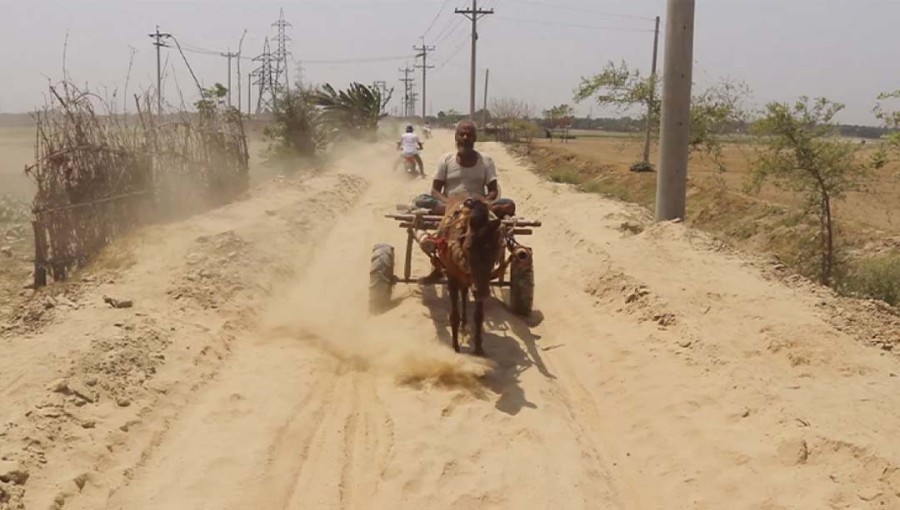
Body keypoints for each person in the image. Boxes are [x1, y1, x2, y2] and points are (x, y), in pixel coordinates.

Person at [420, 120, 516, 283]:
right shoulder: (446, 159)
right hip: (450, 208)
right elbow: (435, 191)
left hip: (477, 209)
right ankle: (437, 263)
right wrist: (450, 203)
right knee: (420, 200)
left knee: (509, 204)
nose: (465, 137)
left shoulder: (486, 161)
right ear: (456, 137)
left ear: (475, 138)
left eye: (469, 134)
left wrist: (485, 202)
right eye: (462, 134)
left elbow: (493, 190)